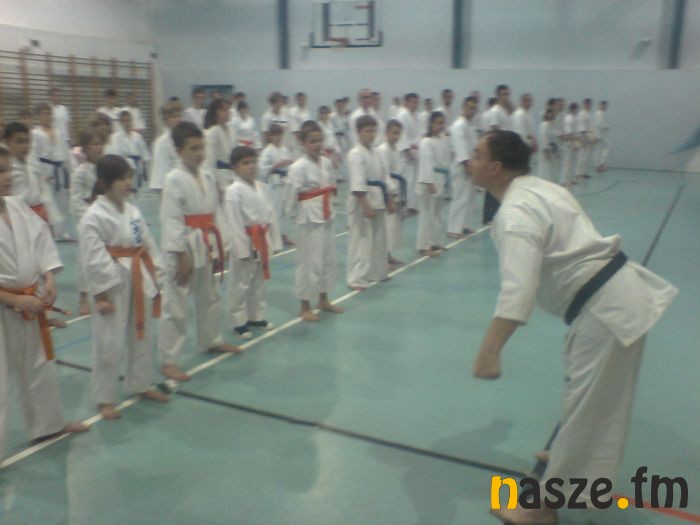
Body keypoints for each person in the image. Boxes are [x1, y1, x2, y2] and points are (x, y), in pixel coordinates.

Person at [468, 131, 677, 525]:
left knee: (590, 407)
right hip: (607, 300)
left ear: (495, 167)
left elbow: (519, 289)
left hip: (605, 308)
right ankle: (567, 457)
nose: (470, 162)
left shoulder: (515, 214)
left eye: (476, 155)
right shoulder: (540, 188)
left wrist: (489, 350)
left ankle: (539, 507)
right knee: (585, 398)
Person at [0, 145, 89, 459]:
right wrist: (13, 298)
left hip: (29, 302)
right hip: (6, 305)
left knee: (40, 365)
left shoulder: (16, 206)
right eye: (0, 171)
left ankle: (48, 425)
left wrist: (49, 275)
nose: (7, 176)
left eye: (7, 169)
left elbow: (41, 242)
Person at [79, 155, 170, 420]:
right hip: (113, 279)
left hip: (138, 273)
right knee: (109, 340)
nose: (128, 182)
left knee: (142, 333)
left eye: (129, 177)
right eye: (121, 178)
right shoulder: (93, 217)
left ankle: (141, 383)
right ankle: (105, 398)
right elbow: (92, 259)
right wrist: (101, 295)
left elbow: (147, 244)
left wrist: (158, 275)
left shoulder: (133, 211)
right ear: (105, 182)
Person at [158, 122, 240, 382]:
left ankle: (211, 340)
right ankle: (169, 360)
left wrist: (222, 246)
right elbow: (171, 219)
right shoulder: (173, 179)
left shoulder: (207, 175)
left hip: (207, 240)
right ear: (179, 150)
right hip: (184, 244)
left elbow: (216, 212)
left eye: (201, 147)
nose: (199, 153)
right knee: (177, 304)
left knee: (210, 295)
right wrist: (180, 255)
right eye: (193, 148)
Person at [285, 121, 343, 322]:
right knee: (309, 263)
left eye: (319, 140)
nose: (317, 145)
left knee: (327, 259)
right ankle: (304, 305)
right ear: (303, 143)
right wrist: (296, 216)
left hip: (326, 214)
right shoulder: (297, 167)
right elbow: (291, 195)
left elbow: (331, 183)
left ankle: (323, 299)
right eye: (312, 141)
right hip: (308, 218)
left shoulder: (326, 162)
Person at [224, 146, 282, 339]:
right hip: (245, 241)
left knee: (259, 282)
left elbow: (271, 215)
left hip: (262, 239)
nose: (251, 166)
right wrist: (241, 250)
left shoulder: (261, 187)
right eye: (245, 163)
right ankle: (238, 321)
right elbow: (233, 223)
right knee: (240, 284)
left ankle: (256, 316)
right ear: (235, 168)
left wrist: (274, 241)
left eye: (253, 162)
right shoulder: (233, 191)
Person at [346, 115, 394, 291]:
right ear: (358, 132)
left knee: (379, 240)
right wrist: (366, 205)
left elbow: (384, 177)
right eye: (367, 131)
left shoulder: (376, 152)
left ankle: (377, 272)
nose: (371, 134)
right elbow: (358, 183)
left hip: (378, 199)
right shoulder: (355, 154)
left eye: (373, 131)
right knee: (361, 242)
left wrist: (389, 199)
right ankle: (355, 278)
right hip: (362, 203)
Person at [71, 130, 105, 315]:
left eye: (100, 143)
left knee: (105, 257)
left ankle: (103, 291)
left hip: (104, 216)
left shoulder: (104, 169)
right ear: (85, 148)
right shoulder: (80, 172)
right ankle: (83, 296)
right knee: (85, 258)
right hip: (87, 219)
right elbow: (76, 200)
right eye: (94, 144)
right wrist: (91, 217)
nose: (99, 147)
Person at [32, 102, 74, 241]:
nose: (48, 116)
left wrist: (71, 169)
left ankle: (63, 233)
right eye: (45, 113)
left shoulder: (58, 132)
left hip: (60, 170)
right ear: (38, 116)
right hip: (46, 171)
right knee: (49, 202)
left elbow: (66, 152)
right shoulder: (35, 133)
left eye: (50, 113)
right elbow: (33, 156)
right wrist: (41, 174)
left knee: (63, 202)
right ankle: (52, 231)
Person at [416, 112, 449, 256]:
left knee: (438, 215)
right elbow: (426, 163)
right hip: (428, 182)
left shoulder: (442, 139)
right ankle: (423, 246)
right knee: (427, 215)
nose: (440, 126)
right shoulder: (426, 141)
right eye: (437, 123)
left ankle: (434, 242)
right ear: (430, 124)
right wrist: (430, 183)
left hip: (440, 178)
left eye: (442, 123)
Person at [447, 96, 479, 238]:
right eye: (469, 108)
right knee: (460, 198)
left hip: (471, 164)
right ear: (464, 107)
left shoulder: (470, 125)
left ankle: (464, 225)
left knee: (469, 198)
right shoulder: (458, 125)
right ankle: (454, 229)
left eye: (474, 108)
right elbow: (460, 147)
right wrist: (467, 163)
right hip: (462, 166)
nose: (472, 111)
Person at [258, 124, 294, 246]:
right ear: (270, 136)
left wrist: (289, 164)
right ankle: (274, 236)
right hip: (274, 184)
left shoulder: (284, 149)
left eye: (280, 134)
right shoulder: (267, 151)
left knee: (284, 211)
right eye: (275, 135)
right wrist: (277, 165)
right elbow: (262, 169)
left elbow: (289, 165)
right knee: (275, 210)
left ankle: (283, 235)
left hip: (284, 181)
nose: (278, 137)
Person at [376, 119, 406, 265]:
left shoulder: (395, 149)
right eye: (393, 133)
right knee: (386, 227)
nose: (396, 136)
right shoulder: (383, 150)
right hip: (386, 193)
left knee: (392, 228)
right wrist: (390, 196)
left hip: (395, 190)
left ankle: (388, 255)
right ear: (386, 133)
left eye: (398, 133)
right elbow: (385, 175)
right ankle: (382, 258)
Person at [106, 111, 151, 190]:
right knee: (126, 191)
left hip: (137, 169)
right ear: (120, 123)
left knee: (136, 192)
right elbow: (116, 156)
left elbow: (145, 154)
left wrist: (145, 170)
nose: (127, 123)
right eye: (124, 121)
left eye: (129, 121)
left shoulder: (137, 136)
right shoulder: (115, 137)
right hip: (123, 170)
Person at [149, 100, 182, 194]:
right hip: (170, 190)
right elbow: (159, 175)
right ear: (166, 120)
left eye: (179, 116)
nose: (178, 119)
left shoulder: (185, 138)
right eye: (174, 117)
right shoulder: (162, 143)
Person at [396, 93, 422, 214]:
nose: (415, 104)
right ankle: (402, 206)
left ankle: (411, 205)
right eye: (413, 102)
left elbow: (419, 134)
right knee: (405, 180)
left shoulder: (417, 116)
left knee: (413, 181)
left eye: (416, 102)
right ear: (406, 103)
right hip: (404, 154)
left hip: (415, 152)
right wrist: (407, 151)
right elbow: (402, 135)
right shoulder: (402, 115)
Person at [204, 98, 236, 191]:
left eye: (228, 109)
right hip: (220, 175)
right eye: (223, 110)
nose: (227, 112)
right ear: (215, 113)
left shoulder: (232, 130)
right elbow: (210, 161)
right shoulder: (212, 132)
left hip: (233, 173)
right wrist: (216, 184)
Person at [538, 108, 558, 183]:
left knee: (553, 169)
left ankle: (552, 183)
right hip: (546, 149)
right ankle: (543, 184)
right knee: (546, 168)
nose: (551, 115)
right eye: (550, 113)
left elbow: (555, 138)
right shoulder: (544, 125)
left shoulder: (554, 125)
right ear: (547, 114)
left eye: (553, 113)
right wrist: (546, 151)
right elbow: (544, 138)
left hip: (553, 149)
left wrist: (556, 151)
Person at [594, 100, 610, 172]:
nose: (606, 107)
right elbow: (599, 124)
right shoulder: (598, 113)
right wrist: (605, 126)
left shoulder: (602, 113)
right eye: (605, 106)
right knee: (606, 147)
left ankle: (600, 164)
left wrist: (605, 126)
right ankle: (600, 165)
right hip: (599, 135)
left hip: (602, 134)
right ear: (602, 105)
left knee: (601, 149)